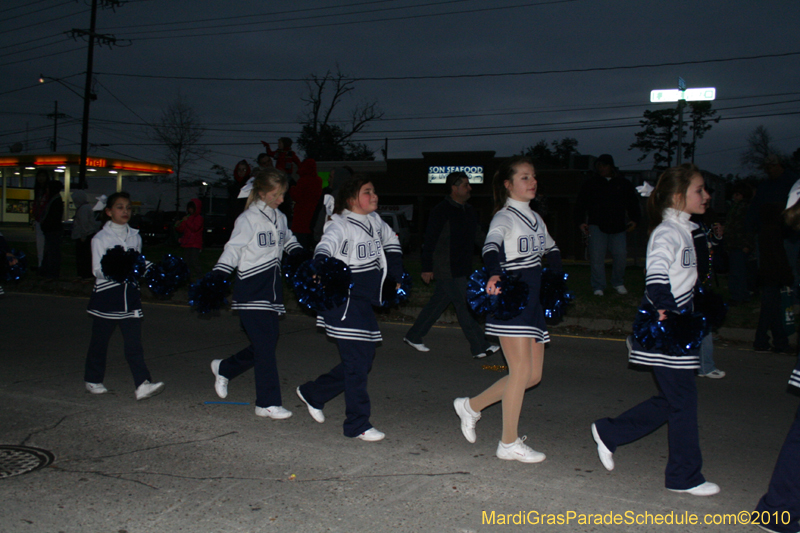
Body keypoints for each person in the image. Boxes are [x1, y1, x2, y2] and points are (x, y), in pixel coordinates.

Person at [591, 164, 720, 497]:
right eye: (699, 190)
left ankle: (610, 432)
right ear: (678, 197)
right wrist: (666, 308)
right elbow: (657, 275)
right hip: (666, 326)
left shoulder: (687, 229)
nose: (706, 195)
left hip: (680, 325)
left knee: (673, 399)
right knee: (682, 401)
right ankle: (682, 476)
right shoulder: (668, 232)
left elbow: (689, 278)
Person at [453, 156, 562, 463]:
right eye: (525, 177)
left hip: (534, 304)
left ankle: (471, 406)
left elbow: (552, 249)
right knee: (520, 372)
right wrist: (494, 272)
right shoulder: (505, 217)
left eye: (534, 176)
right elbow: (490, 246)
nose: (532, 182)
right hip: (512, 300)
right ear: (508, 184)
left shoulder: (536, 218)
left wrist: (555, 278)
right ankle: (508, 442)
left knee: (532, 376)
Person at [296, 176, 403, 442]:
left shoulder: (376, 221)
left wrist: (395, 275)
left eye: (375, 190)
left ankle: (314, 393)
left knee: (363, 361)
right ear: (351, 200)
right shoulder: (340, 224)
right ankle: (357, 424)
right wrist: (319, 265)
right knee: (357, 365)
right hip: (343, 304)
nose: (375, 196)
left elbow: (392, 243)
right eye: (368, 192)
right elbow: (325, 246)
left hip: (363, 302)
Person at [210, 167, 303, 420]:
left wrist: (299, 255)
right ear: (261, 192)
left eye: (283, 194)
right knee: (265, 348)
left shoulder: (279, 217)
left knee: (266, 344)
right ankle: (267, 403)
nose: (281, 200)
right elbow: (233, 249)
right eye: (277, 194)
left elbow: (288, 239)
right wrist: (219, 275)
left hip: (272, 290)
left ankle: (225, 368)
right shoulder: (248, 219)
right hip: (250, 288)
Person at [403, 171, 500, 358]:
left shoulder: (469, 211)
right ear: (454, 188)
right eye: (465, 184)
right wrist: (426, 267)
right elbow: (429, 239)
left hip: (463, 266)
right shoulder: (441, 210)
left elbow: (479, 236)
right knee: (464, 304)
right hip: (445, 266)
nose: (469, 187)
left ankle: (414, 335)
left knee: (439, 302)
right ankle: (480, 346)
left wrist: (494, 250)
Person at [84, 192, 165, 400]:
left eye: (128, 207)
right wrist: (117, 269)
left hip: (130, 296)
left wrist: (155, 271)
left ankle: (142, 383)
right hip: (107, 296)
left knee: (134, 344)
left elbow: (138, 262)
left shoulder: (135, 236)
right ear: (109, 212)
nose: (125, 211)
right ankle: (93, 379)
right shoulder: (100, 238)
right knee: (99, 343)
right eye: (120, 207)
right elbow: (96, 270)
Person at [574, 154, 641, 296]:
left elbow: (633, 203)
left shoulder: (623, 183)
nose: (601, 168)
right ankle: (598, 286)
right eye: (599, 166)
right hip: (597, 225)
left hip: (618, 226)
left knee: (621, 256)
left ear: (611, 166)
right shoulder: (591, 183)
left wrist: (635, 219)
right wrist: (581, 222)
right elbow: (580, 204)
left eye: (604, 165)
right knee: (597, 257)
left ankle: (618, 282)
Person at [692, 197, 725, 379]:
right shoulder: (684, 223)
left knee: (701, 320)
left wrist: (717, 237)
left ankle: (704, 365)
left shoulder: (701, 224)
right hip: (685, 280)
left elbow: (709, 248)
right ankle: (639, 342)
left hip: (698, 280)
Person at [724, 182, 755, 305]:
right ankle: (737, 294)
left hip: (740, 244)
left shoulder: (745, 208)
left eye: (737, 194)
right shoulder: (735, 207)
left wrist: (747, 244)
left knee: (739, 272)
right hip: (733, 243)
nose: (734, 197)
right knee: (735, 271)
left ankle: (740, 296)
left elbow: (749, 227)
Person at [289, 158, 323, 249]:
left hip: (301, 218)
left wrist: (292, 188)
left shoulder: (303, 180)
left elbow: (296, 196)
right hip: (312, 217)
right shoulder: (318, 180)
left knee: (299, 245)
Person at [71, 190, 100, 281]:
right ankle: (85, 274)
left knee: (83, 256)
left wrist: (83, 235)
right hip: (87, 234)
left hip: (84, 235)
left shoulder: (83, 208)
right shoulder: (86, 207)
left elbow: (84, 223)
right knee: (85, 256)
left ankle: (85, 274)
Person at [39, 180, 64, 280]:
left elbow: (53, 218)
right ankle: (47, 271)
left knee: (52, 252)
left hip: (52, 231)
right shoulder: (54, 200)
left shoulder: (55, 201)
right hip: (51, 230)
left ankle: (52, 273)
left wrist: (46, 226)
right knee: (51, 252)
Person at [176, 198, 204, 282]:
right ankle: (188, 277)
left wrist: (187, 221)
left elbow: (195, 228)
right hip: (187, 243)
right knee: (187, 261)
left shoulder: (199, 218)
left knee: (194, 260)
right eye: (189, 208)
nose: (190, 210)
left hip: (195, 243)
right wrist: (178, 225)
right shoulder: (187, 217)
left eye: (192, 208)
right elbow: (181, 229)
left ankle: (200, 277)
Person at [31, 169, 50, 268]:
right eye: (40, 176)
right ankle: (40, 263)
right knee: (40, 243)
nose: (41, 178)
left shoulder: (47, 190)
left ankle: (43, 263)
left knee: (44, 243)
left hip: (44, 220)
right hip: (39, 219)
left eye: (43, 176)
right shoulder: (38, 190)